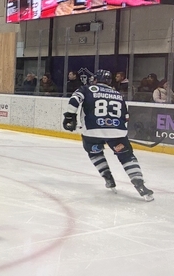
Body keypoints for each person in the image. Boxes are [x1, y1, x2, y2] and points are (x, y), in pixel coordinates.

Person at [63, 69, 153, 201]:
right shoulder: (117, 94)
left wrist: (70, 116)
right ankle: (140, 185)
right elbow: (126, 117)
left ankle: (108, 178)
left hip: (92, 131)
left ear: (95, 79)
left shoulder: (86, 89)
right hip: (117, 133)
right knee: (127, 157)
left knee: (95, 153)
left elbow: (74, 99)